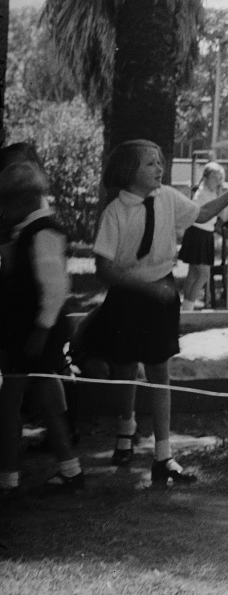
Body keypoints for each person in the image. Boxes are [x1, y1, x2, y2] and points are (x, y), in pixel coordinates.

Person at [83, 140, 228, 484]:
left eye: (159, 162)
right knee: (125, 365)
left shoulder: (169, 197)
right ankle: (125, 430)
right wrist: (145, 287)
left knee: (160, 371)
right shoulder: (115, 213)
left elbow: (202, 214)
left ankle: (163, 456)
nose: (159, 169)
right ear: (129, 172)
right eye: (150, 164)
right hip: (130, 296)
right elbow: (104, 268)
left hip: (162, 294)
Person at [0, 161, 80, 496]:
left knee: (9, 404)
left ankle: (8, 478)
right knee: (46, 401)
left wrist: (42, 329)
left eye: (9, 203)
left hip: (33, 332)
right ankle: (71, 469)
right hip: (25, 329)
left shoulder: (44, 232)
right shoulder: (23, 233)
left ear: (29, 199)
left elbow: (55, 286)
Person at [178, 162, 228, 310]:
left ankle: (185, 308)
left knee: (194, 272)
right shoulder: (204, 194)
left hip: (203, 234)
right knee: (203, 275)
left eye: (220, 177)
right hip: (198, 234)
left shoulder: (212, 193)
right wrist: (223, 196)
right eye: (215, 177)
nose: (218, 180)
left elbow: (224, 216)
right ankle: (188, 308)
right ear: (206, 178)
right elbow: (220, 215)